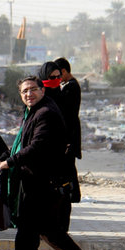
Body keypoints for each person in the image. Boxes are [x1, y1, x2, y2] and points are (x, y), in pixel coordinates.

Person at [0, 76, 101, 250]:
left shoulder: (46, 113)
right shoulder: (35, 112)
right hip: (39, 182)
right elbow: (26, 143)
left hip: (43, 183)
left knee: (27, 235)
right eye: (24, 91)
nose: (28, 94)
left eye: (33, 89)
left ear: (42, 90)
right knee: (50, 232)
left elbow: (38, 146)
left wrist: (10, 162)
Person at [54, 57, 82, 209]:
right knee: (69, 164)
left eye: (58, 75)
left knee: (69, 164)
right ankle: (73, 193)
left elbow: (65, 111)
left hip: (70, 131)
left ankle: (74, 194)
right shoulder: (70, 86)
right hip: (71, 130)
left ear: (64, 71)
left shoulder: (71, 87)